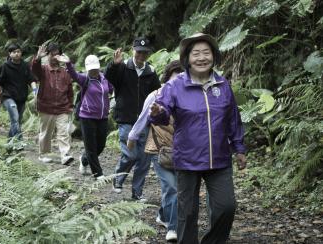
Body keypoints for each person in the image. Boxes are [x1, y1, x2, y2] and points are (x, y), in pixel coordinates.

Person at [150, 33, 247, 244]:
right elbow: (163, 113)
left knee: (226, 207)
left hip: (219, 160)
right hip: (187, 160)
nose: (201, 58)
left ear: (214, 56)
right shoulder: (175, 86)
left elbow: (233, 119)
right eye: (196, 53)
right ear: (187, 58)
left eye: (206, 53)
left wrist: (239, 148)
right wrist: (157, 112)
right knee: (187, 213)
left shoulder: (222, 85)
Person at [127, 60, 183, 241]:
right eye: (175, 77)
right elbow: (143, 118)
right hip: (158, 149)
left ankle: (163, 215)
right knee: (172, 187)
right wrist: (132, 137)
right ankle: (173, 229)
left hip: (182, 152)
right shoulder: (156, 96)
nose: (178, 81)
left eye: (182, 77)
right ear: (167, 78)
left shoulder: (189, 98)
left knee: (175, 189)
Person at [104, 37, 161, 201]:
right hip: (126, 118)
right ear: (132, 50)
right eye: (139, 52)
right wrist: (114, 65)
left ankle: (137, 193)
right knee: (130, 155)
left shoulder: (151, 72)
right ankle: (118, 178)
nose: (141, 55)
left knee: (144, 159)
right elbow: (109, 78)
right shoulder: (122, 67)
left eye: (145, 52)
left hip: (145, 120)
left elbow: (157, 93)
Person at [64, 54, 113, 179]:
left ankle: (84, 159)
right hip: (87, 116)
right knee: (90, 146)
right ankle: (98, 174)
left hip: (102, 116)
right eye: (91, 69)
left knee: (100, 145)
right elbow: (73, 75)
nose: (93, 71)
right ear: (87, 69)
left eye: (95, 68)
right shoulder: (84, 79)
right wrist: (68, 64)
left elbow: (111, 89)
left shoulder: (105, 79)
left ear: (99, 67)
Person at [31, 42, 74, 165]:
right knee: (45, 133)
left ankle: (65, 155)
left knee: (63, 132)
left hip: (62, 107)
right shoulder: (43, 69)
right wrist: (37, 58)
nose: (55, 58)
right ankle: (43, 154)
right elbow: (34, 70)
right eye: (52, 55)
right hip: (46, 107)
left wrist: (70, 105)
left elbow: (70, 90)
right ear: (47, 55)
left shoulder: (65, 72)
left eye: (57, 55)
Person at [0, 44, 37, 140]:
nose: (17, 54)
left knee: (17, 121)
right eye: (14, 52)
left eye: (18, 52)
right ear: (9, 54)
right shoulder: (5, 66)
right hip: (8, 97)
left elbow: (31, 80)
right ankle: (19, 142)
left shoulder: (25, 66)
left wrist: (35, 91)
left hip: (21, 97)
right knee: (15, 118)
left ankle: (9, 144)